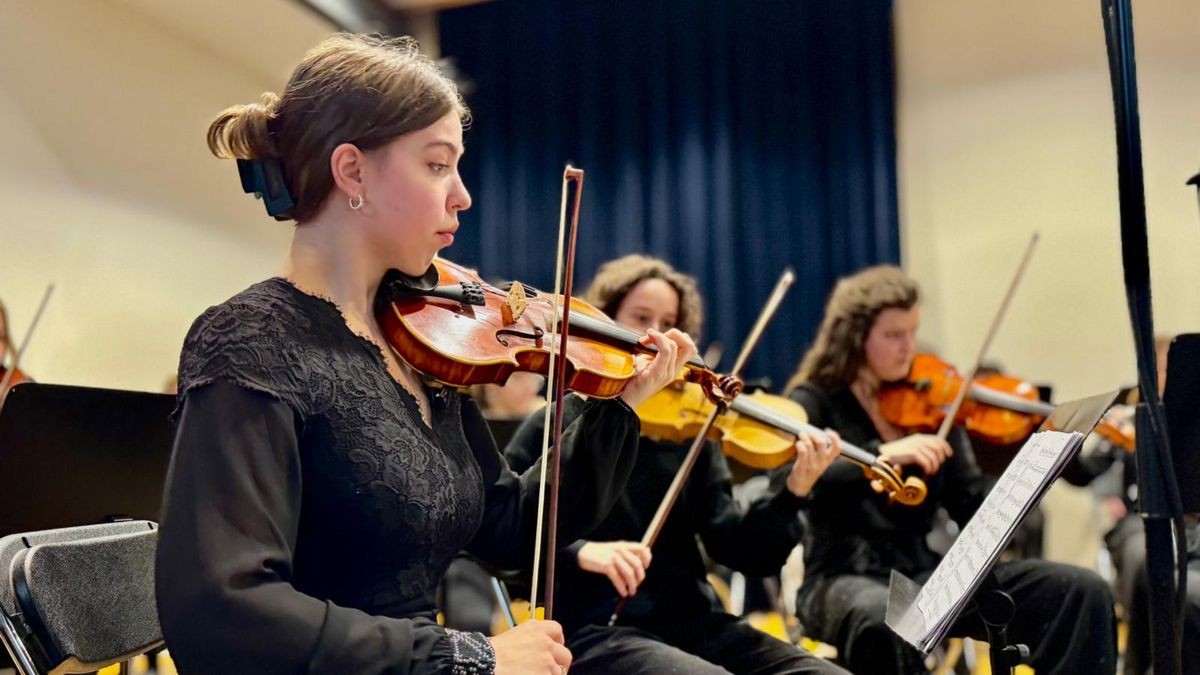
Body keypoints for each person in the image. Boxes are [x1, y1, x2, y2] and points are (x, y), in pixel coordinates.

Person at [154, 34, 698, 675]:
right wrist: (475, 657)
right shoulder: (251, 339)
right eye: (438, 165)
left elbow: (511, 528)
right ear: (352, 170)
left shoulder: (418, 345)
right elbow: (227, 612)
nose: (463, 194)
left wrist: (616, 405)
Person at [506, 254, 849, 674]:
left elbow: (741, 550)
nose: (656, 334)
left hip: (692, 622)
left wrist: (794, 490)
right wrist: (582, 552)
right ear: (605, 321)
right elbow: (505, 537)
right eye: (641, 316)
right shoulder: (557, 421)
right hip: (590, 629)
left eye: (668, 321)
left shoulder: (691, 432)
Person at [784, 265, 1117, 674]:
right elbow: (792, 471)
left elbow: (969, 503)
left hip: (927, 575)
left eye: (912, 332)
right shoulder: (817, 399)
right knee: (887, 622)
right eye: (893, 336)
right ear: (855, 339)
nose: (909, 347)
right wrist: (882, 453)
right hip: (841, 578)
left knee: (1079, 590)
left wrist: (1023, 468)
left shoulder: (931, 401)